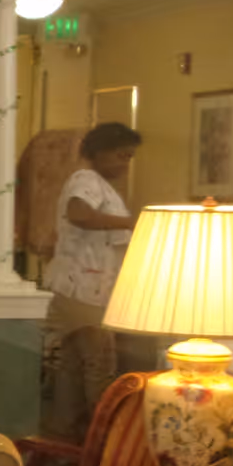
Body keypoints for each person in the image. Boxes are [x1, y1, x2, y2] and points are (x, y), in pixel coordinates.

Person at [41, 122, 142, 442]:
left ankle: (63, 433)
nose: (125, 165)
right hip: (81, 289)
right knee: (100, 364)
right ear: (98, 153)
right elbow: (79, 215)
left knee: (74, 365)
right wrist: (131, 222)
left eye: (129, 158)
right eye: (120, 156)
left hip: (84, 288)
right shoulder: (86, 180)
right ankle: (106, 441)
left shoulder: (102, 186)